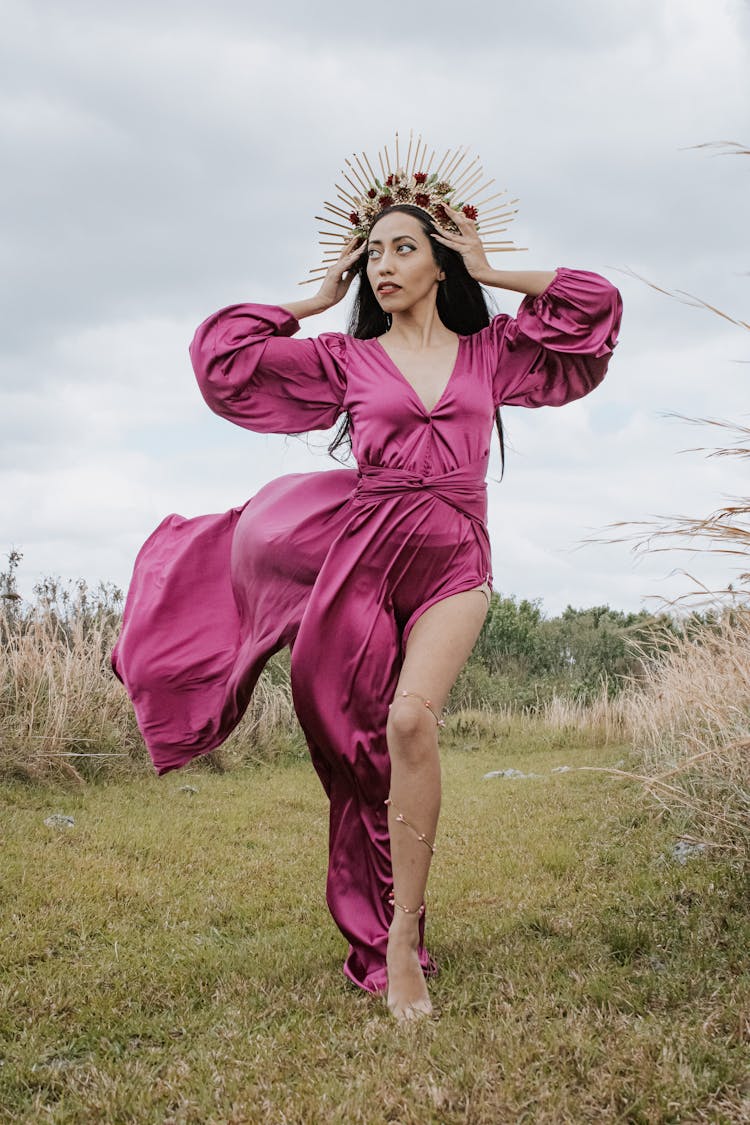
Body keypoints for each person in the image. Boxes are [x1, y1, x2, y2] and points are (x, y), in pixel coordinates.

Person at [113, 193, 622, 1022]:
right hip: (361, 563)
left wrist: (492, 269)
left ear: (439, 261)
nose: (383, 266)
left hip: (456, 560)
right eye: (372, 253)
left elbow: (591, 307)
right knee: (358, 755)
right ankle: (382, 923)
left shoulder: (493, 352)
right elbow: (223, 357)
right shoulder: (347, 361)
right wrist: (313, 301)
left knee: (411, 723)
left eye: (401, 249)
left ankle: (401, 942)